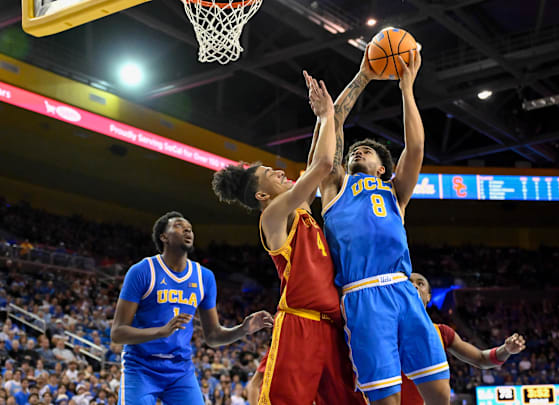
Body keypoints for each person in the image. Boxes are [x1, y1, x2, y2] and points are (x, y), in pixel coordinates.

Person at [211, 71, 365, 405]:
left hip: (334, 328)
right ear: (262, 196)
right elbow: (324, 164)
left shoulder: (302, 210)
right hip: (299, 325)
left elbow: (317, 156)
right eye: (270, 174)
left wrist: (351, 89)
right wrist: (325, 117)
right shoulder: (273, 217)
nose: (281, 172)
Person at [316, 45, 446, 404]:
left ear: (382, 169)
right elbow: (333, 122)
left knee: (439, 394)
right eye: (353, 150)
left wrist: (407, 90)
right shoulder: (334, 187)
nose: (358, 151)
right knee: (386, 400)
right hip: (362, 295)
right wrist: (363, 76)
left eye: (367, 151)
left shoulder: (395, 193)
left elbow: (416, 147)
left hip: (404, 291)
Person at [110, 211, 273, 404]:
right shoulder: (142, 271)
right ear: (164, 237)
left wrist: (243, 329)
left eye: (190, 228)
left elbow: (213, 337)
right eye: (179, 225)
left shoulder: (204, 277)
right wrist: (160, 332)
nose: (187, 229)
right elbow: (118, 333)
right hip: (141, 367)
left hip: (180, 370)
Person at [400, 273, 526, 404]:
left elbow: (481, 359)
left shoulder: (442, 333)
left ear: (428, 297)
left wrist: (506, 350)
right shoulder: (381, 330)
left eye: (420, 283)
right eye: (408, 283)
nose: (414, 286)